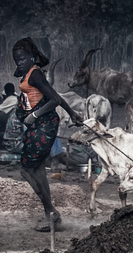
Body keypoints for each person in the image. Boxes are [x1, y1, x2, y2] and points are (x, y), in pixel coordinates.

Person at [11, 37, 81, 231]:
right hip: (40, 125)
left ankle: (51, 212)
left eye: (23, 59)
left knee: (26, 169)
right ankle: (50, 214)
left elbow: (54, 100)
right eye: (17, 60)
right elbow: (54, 94)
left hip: (43, 124)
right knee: (38, 168)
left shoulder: (35, 75)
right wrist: (72, 113)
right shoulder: (31, 74)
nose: (19, 63)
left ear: (32, 57)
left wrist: (34, 115)